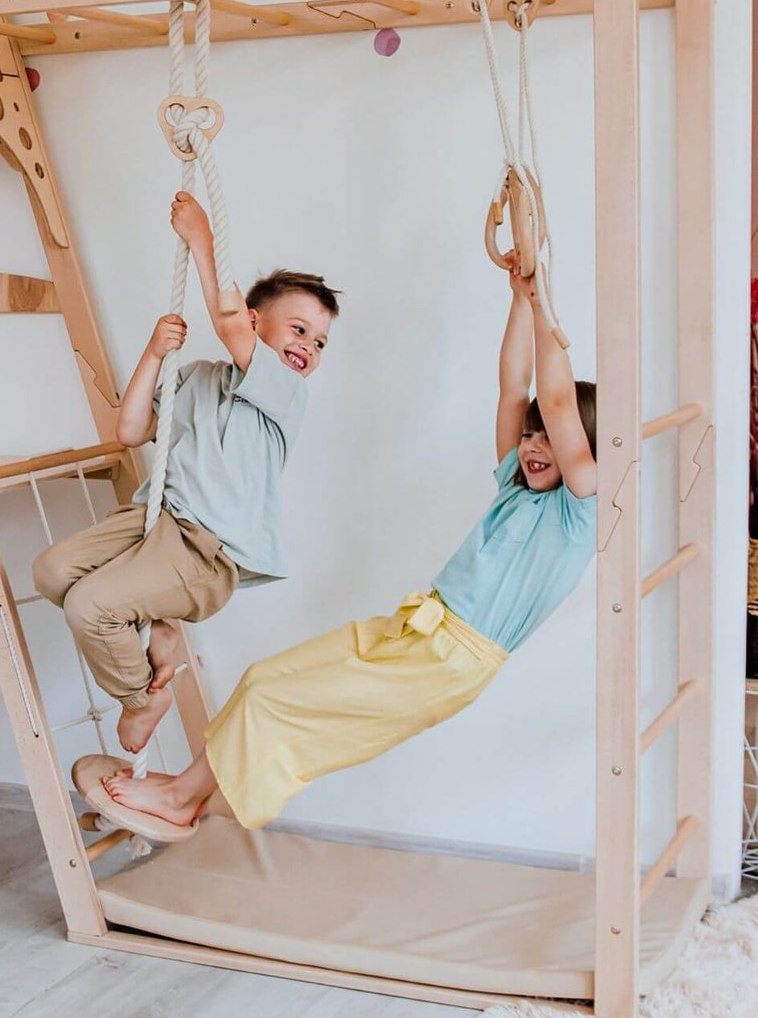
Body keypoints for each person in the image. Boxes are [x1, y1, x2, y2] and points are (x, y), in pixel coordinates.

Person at [102, 261, 596, 830]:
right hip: (416, 625)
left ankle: (181, 801)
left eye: (549, 440)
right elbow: (517, 389)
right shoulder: (518, 487)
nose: (534, 445)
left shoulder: (579, 509)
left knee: (279, 709)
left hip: (448, 660)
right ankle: (188, 787)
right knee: (264, 680)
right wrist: (519, 296)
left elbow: (558, 404)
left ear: (581, 450)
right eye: (531, 436)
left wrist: (545, 303)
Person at [33, 190, 339, 754]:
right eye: (298, 330)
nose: (308, 348)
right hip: (156, 524)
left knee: (90, 605)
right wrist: (153, 353)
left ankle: (141, 696)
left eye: (319, 341)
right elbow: (129, 432)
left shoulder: (283, 393)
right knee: (52, 571)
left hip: (206, 553)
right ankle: (160, 633)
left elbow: (225, 322)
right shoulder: (198, 375)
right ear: (257, 320)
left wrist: (203, 239)